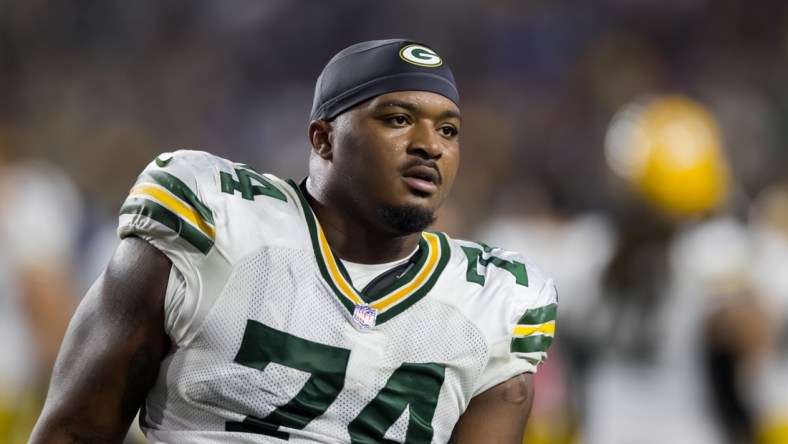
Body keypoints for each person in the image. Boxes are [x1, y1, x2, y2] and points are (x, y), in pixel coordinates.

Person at [29, 38, 557, 443]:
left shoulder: (492, 302)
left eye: (448, 130)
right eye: (398, 119)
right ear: (323, 139)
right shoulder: (216, 221)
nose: (429, 146)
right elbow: (75, 431)